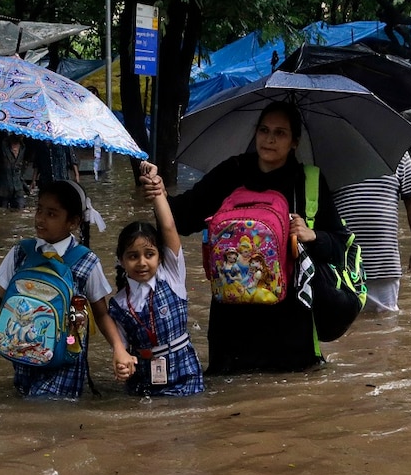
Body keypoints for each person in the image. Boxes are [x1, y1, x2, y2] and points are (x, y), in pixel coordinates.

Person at [145, 100, 352, 374]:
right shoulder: (232, 173)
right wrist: (158, 192)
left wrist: (313, 235)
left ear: (294, 142)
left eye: (280, 133)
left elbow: (341, 247)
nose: (269, 139)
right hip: (231, 331)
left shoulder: (309, 182)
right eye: (264, 130)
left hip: (290, 331)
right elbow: (182, 219)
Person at [0, 180, 134, 398]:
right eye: (39, 210)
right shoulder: (21, 253)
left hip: (66, 359)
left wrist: (119, 348)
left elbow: (101, 313)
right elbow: (1, 314)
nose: (40, 219)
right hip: (24, 357)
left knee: (44, 411)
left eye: (51, 214)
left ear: (73, 222)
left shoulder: (86, 261)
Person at [108, 160, 204, 396]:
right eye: (133, 256)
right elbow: (120, 349)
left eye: (149, 254)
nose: (141, 262)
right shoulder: (119, 304)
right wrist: (122, 366)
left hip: (186, 376)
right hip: (144, 383)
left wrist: (157, 189)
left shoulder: (172, 275)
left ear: (161, 257)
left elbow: (169, 226)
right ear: (121, 260)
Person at [332, 153, 411, 312]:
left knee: (384, 327)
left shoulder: (396, 152)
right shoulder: (329, 155)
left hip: (383, 263)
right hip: (342, 261)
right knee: (344, 325)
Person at [0, 133, 27, 210]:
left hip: (18, 186)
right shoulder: (2, 144)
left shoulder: (23, 147)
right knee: (1, 211)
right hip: (3, 186)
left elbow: (23, 165)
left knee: (20, 209)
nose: (23, 135)